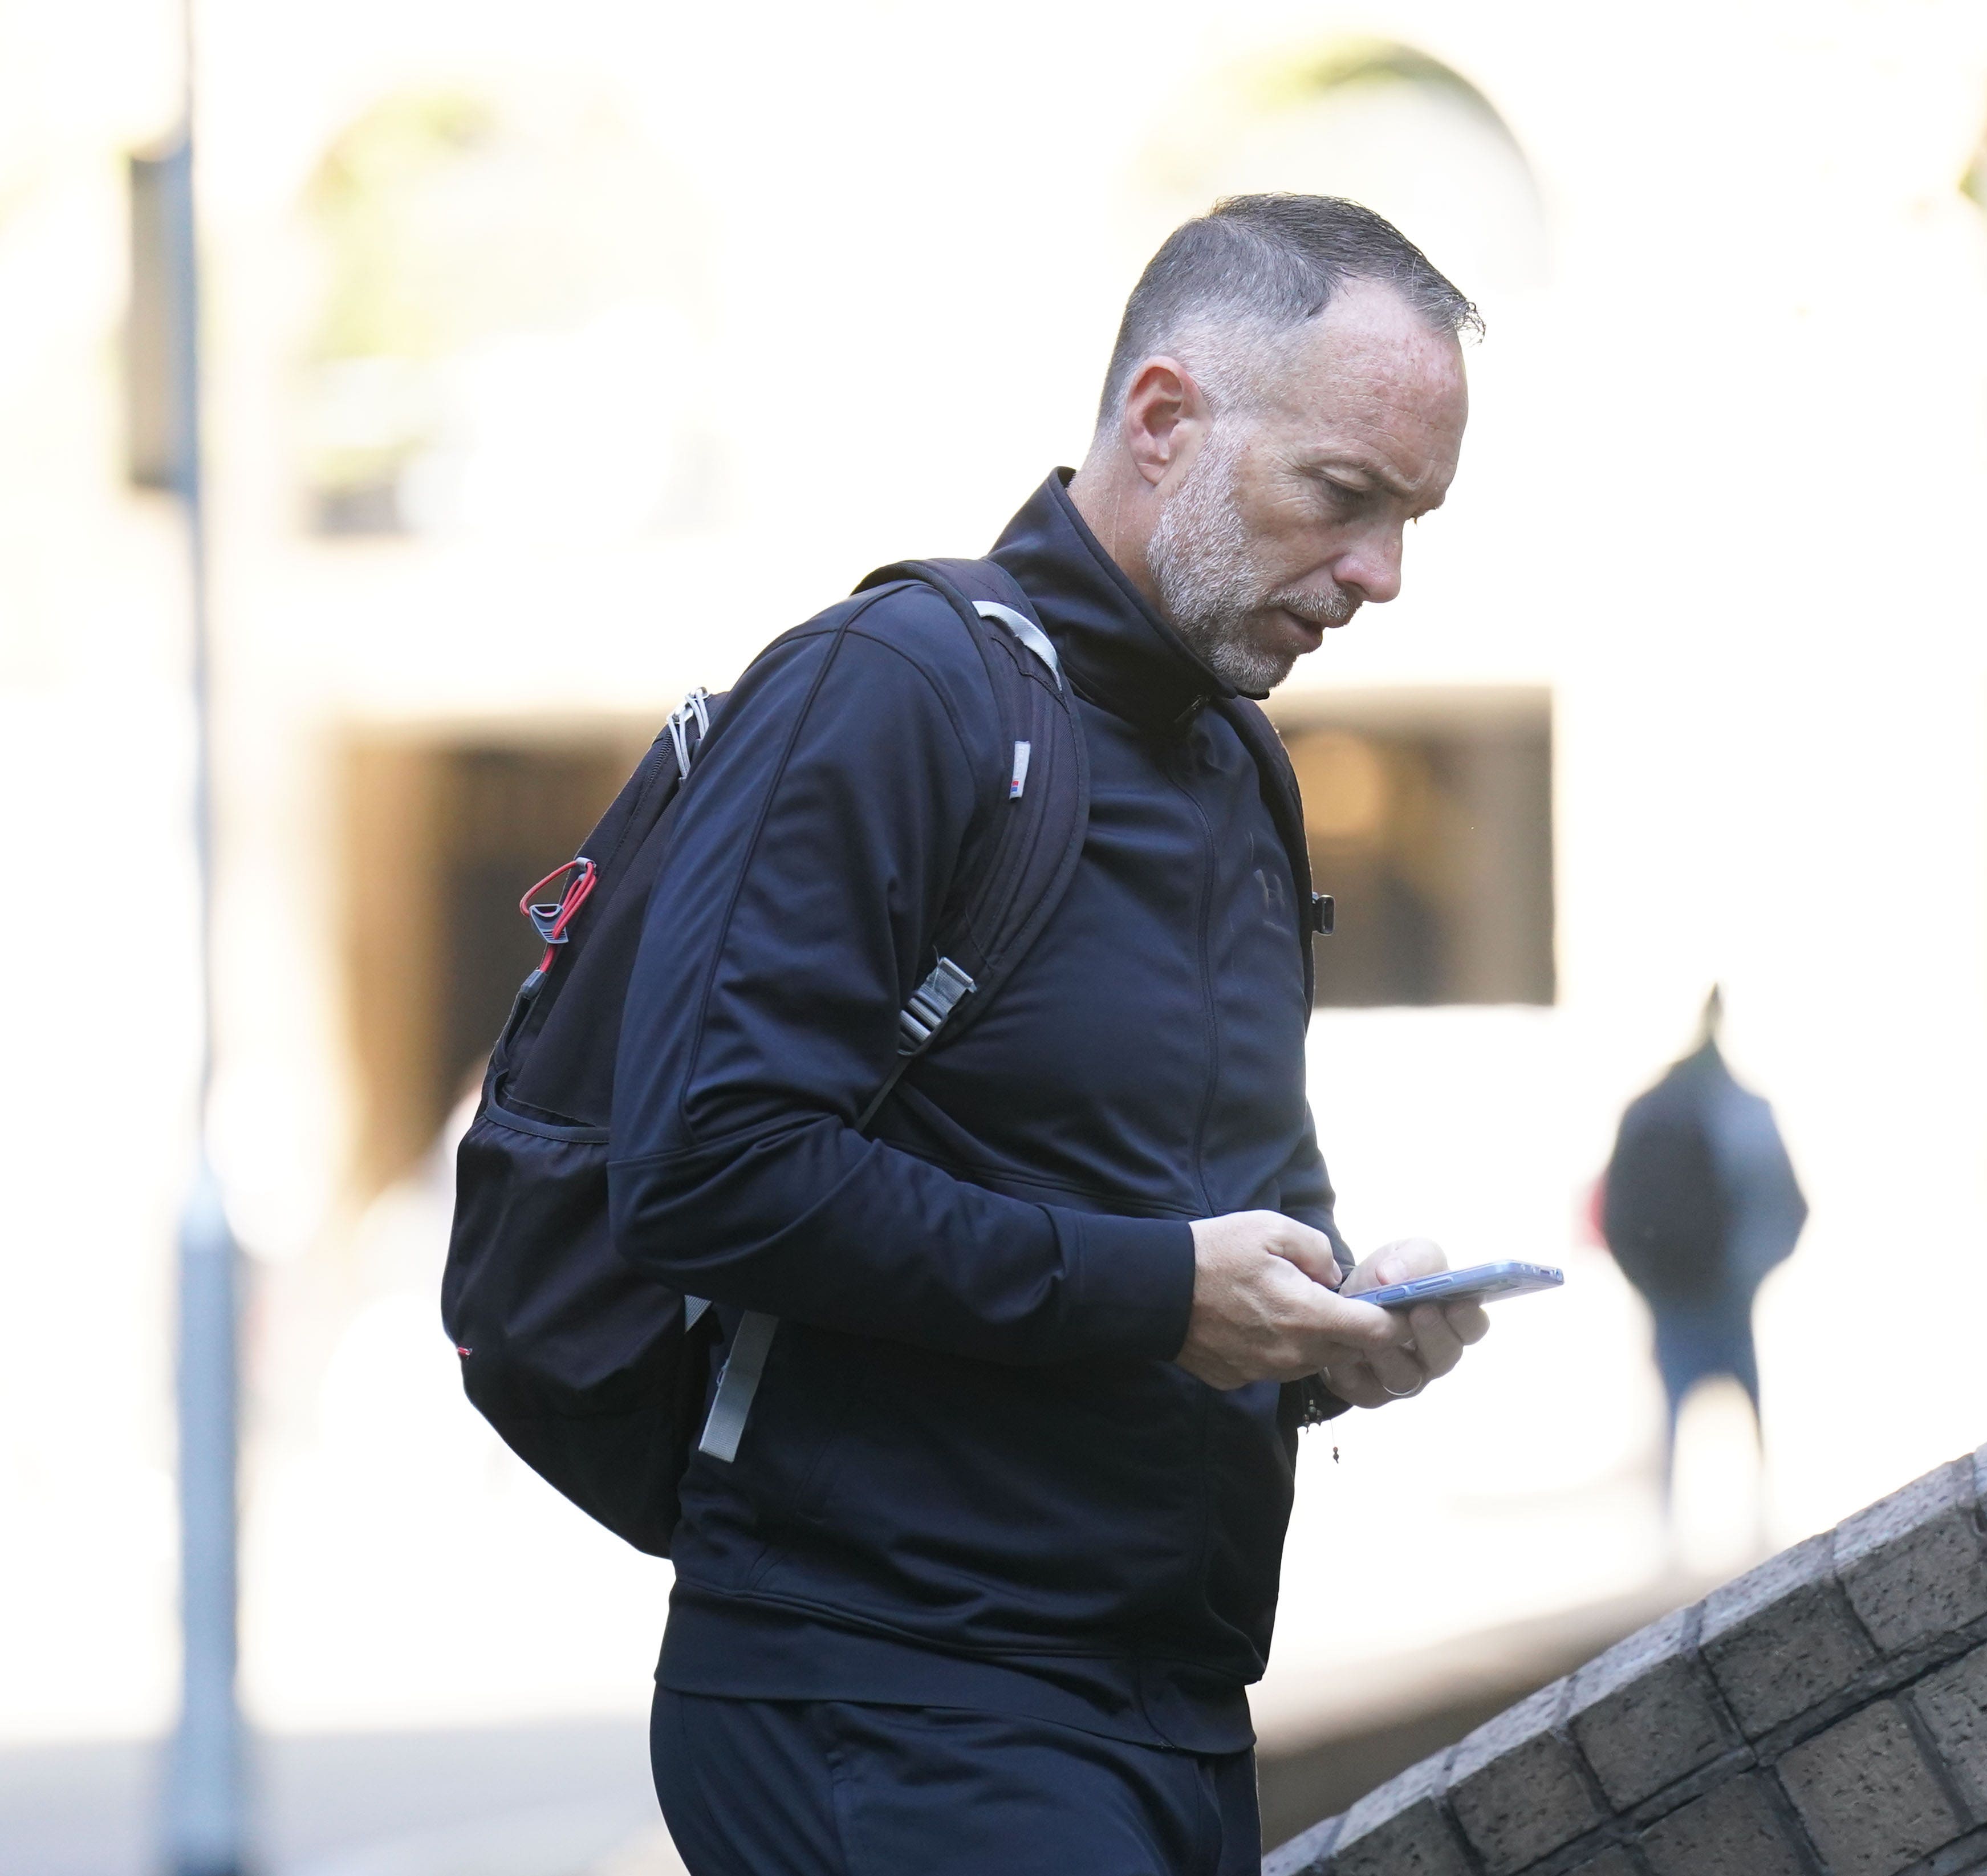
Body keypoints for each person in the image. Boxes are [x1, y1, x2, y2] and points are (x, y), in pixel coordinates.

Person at [606, 196, 1490, 1876]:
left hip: (1160, 1712)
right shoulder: (893, 687)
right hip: (886, 1697)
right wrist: (1165, 1292)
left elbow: (1172, 1235)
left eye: (1410, 519)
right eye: (1344, 497)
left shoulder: (1242, 771)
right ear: (1163, 421)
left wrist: (1321, 1322)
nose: (1379, 576)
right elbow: (702, 1170)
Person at [1598, 988, 1806, 1499]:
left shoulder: (1645, 1108)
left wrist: (1648, 1283)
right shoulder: (1746, 1109)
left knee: (1671, 1411)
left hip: (1669, 1291)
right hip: (1728, 1292)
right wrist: (1748, 1274)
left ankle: (1667, 1530)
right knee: (1749, 1411)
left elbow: (1613, 1210)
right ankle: (1760, 1517)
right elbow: (1789, 1206)